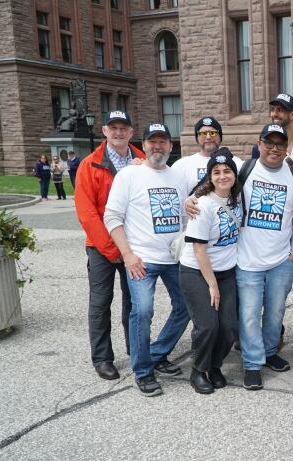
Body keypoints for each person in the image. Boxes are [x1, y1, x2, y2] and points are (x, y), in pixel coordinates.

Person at [104, 122, 190, 396]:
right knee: (141, 311)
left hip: (174, 259)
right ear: (143, 145)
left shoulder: (177, 177)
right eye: (152, 141)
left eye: (163, 141)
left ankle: (157, 352)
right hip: (141, 259)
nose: (157, 146)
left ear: (171, 146)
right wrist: (128, 255)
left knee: (186, 306)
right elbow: (112, 217)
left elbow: (186, 215)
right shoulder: (129, 176)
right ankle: (143, 371)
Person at [74, 110, 145, 380]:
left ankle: (136, 348)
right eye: (113, 127)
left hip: (135, 246)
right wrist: (114, 249)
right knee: (101, 304)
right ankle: (103, 358)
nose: (118, 132)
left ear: (130, 131)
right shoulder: (89, 164)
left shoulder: (142, 160)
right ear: (104, 131)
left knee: (135, 303)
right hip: (102, 247)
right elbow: (87, 213)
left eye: (123, 128)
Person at [236, 124, 293, 390]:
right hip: (247, 260)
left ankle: (270, 351)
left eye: (280, 144)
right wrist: (191, 199)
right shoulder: (245, 170)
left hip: (280, 261)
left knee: (275, 312)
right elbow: (215, 188)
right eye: (269, 143)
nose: (274, 148)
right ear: (259, 143)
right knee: (250, 314)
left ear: (286, 146)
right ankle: (252, 363)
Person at [179, 152, 242, 394]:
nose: (223, 176)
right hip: (197, 271)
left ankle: (215, 365)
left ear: (235, 175)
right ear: (210, 177)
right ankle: (198, 369)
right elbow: (198, 249)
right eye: (216, 172)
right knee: (207, 325)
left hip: (226, 272)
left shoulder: (238, 198)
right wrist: (212, 285)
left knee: (229, 327)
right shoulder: (202, 205)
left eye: (227, 171)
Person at [171, 116, 243, 194]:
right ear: (197, 138)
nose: (208, 137)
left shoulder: (236, 162)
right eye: (203, 133)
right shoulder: (182, 165)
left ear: (220, 137)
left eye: (213, 133)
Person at [251, 93, 293, 169]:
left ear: (292, 115)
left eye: (280, 110)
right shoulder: (260, 148)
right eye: (273, 109)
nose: (274, 114)